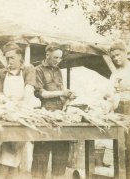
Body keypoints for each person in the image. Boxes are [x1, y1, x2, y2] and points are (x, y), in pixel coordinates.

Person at [0, 42, 38, 179]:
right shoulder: (2, 73)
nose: (9, 61)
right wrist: (4, 100)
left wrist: (21, 104)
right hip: (6, 110)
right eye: (7, 58)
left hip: (22, 109)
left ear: (19, 56)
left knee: (13, 148)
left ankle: (6, 173)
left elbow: (30, 87)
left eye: (12, 58)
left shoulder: (28, 69)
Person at [31, 42, 74, 179]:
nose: (58, 61)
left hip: (60, 113)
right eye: (55, 57)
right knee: (41, 153)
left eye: (60, 58)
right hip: (45, 114)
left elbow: (61, 93)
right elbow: (41, 94)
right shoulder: (37, 70)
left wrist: (68, 97)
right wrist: (62, 92)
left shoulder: (58, 70)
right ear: (47, 54)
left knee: (61, 150)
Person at [107, 41, 130, 179]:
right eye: (113, 57)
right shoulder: (114, 74)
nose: (116, 58)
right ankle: (119, 175)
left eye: (118, 55)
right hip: (119, 109)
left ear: (125, 53)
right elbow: (112, 96)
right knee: (119, 143)